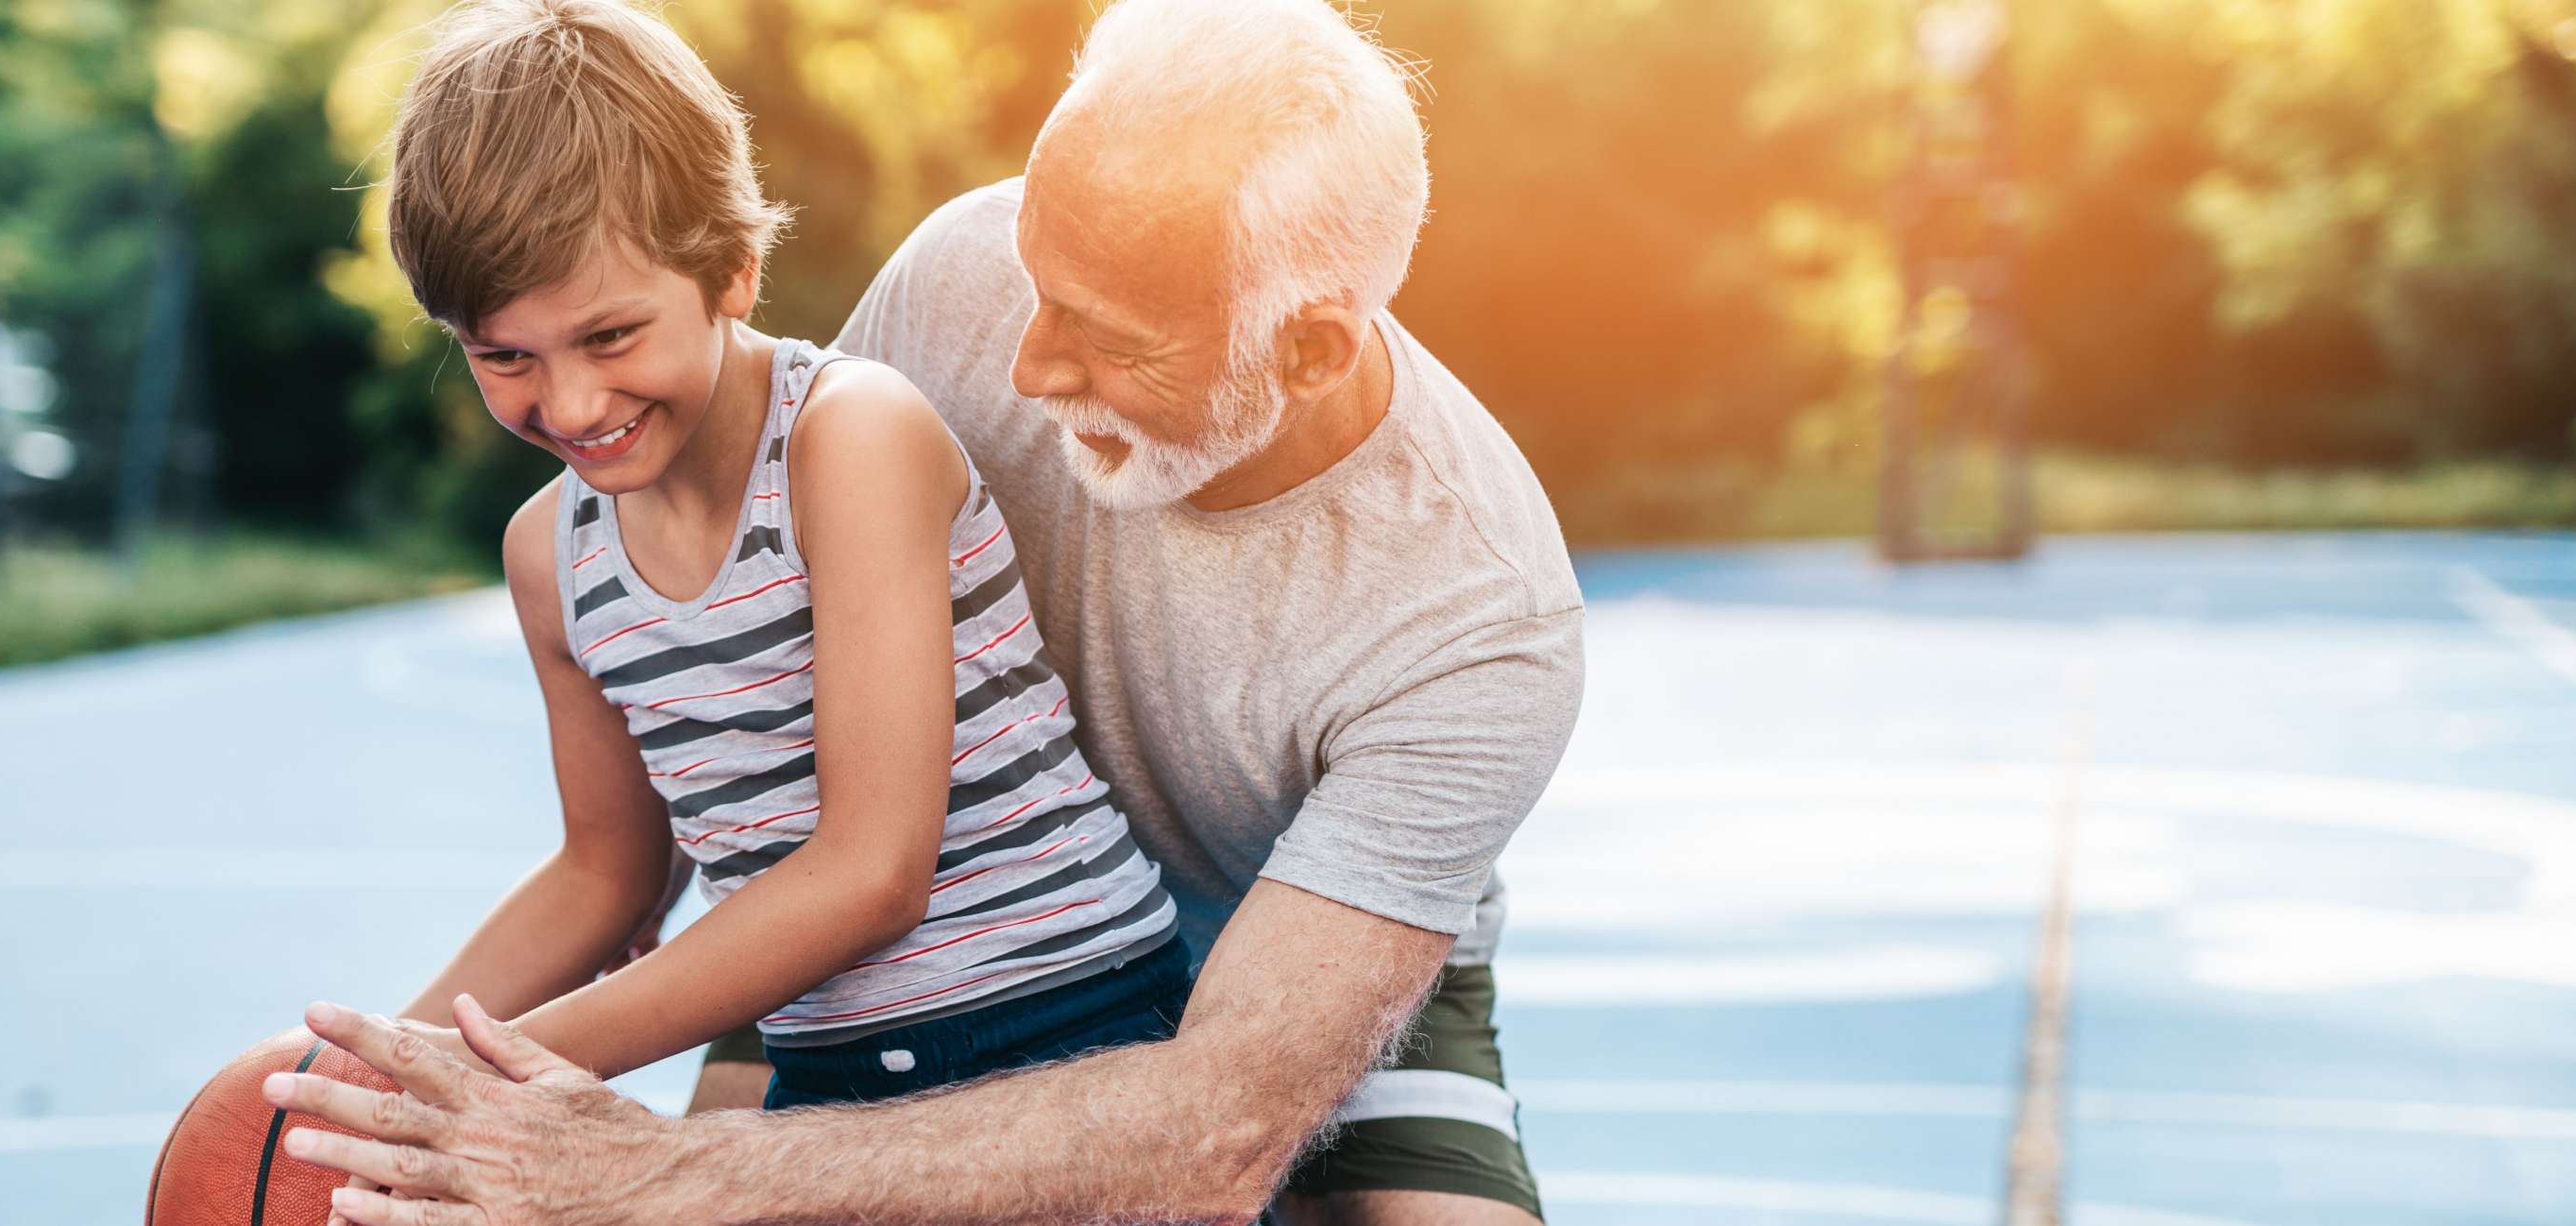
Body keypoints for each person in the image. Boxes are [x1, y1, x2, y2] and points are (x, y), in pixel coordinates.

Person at [264, 0, 1585, 1221]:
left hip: (1291, 968)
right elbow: (735, 729)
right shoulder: (958, 276)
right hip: (863, 927)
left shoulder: (1480, 618)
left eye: (1101, 331)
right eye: (1034, 277)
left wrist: (644, 1151)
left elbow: (1214, 1120)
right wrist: (387, 1075)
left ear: (1307, 349)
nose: (1019, 360)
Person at [350, 0, 1187, 1164]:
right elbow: (606, 873)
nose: (573, 403)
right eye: (506, 355)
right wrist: (371, 1065)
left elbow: (872, 868)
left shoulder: (849, 440)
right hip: (830, 1067)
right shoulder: (553, 557)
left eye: (610, 336)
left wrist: (497, 1076)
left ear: (733, 271)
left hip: (1066, 1024)